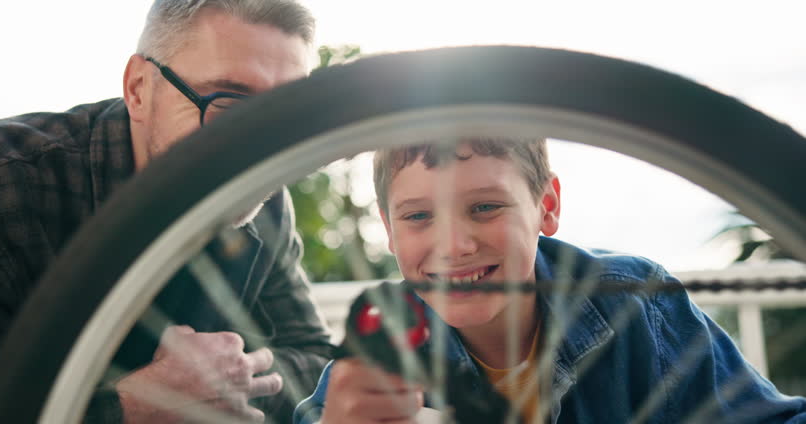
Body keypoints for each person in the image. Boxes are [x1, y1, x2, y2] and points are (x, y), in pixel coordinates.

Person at [0, 0, 332, 423]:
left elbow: (313, 358)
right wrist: (132, 407)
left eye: (284, 114)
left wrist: (224, 384)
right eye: (226, 104)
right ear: (139, 89)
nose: (263, 149)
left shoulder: (264, 203)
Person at [295, 138, 806, 423]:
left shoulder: (636, 304)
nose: (454, 246)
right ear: (387, 229)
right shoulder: (377, 356)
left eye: (484, 207)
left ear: (547, 206)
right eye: (418, 217)